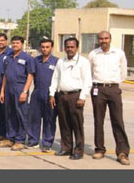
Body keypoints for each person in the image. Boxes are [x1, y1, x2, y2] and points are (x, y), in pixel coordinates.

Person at [89, 31, 130, 165]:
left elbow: (123, 72)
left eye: (106, 38)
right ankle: (99, 149)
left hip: (113, 89)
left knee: (117, 121)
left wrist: (114, 83)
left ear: (110, 39)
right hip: (98, 89)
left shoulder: (119, 53)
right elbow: (90, 72)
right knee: (98, 120)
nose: (104, 41)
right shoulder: (93, 54)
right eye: (101, 38)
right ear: (98, 40)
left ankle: (122, 152)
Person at [49, 37, 92, 160]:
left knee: (77, 125)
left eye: (72, 47)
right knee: (64, 124)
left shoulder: (83, 62)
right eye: (67, 47)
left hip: (75, 96)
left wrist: (82, 97)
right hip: (62, 96)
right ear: (64, 48)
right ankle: (66, 148)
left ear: (77, 48)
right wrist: (52, 94)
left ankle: (78, 150)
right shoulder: (60, 61)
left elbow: (87, 81)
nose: (69, 49)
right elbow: (55, 78)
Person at [0, 36, 35, 151]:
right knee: (9, 114)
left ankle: (20, 140)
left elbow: (30, 75)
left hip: (20, 88)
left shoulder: (27, 58)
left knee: (21, 114)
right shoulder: (8, 57)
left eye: (17, 43)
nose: (15, 45)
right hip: (8, 88)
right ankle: (10, 138)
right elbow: (5, 75)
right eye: (13, 43)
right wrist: (2, 91)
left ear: (22, 44)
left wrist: (25, 91)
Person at [26, 39, 58, 152]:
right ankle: (33, 140)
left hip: (51, 94)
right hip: (37, 92)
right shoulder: (35, 60)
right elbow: (31, 75)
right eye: (43, 47)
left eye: (47, 47)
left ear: (52, 48)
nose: (45, 49)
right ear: (40, 48)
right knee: (34, 118)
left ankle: (47, 143)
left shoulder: (57, 62)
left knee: (49, 119)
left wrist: (53, 94)